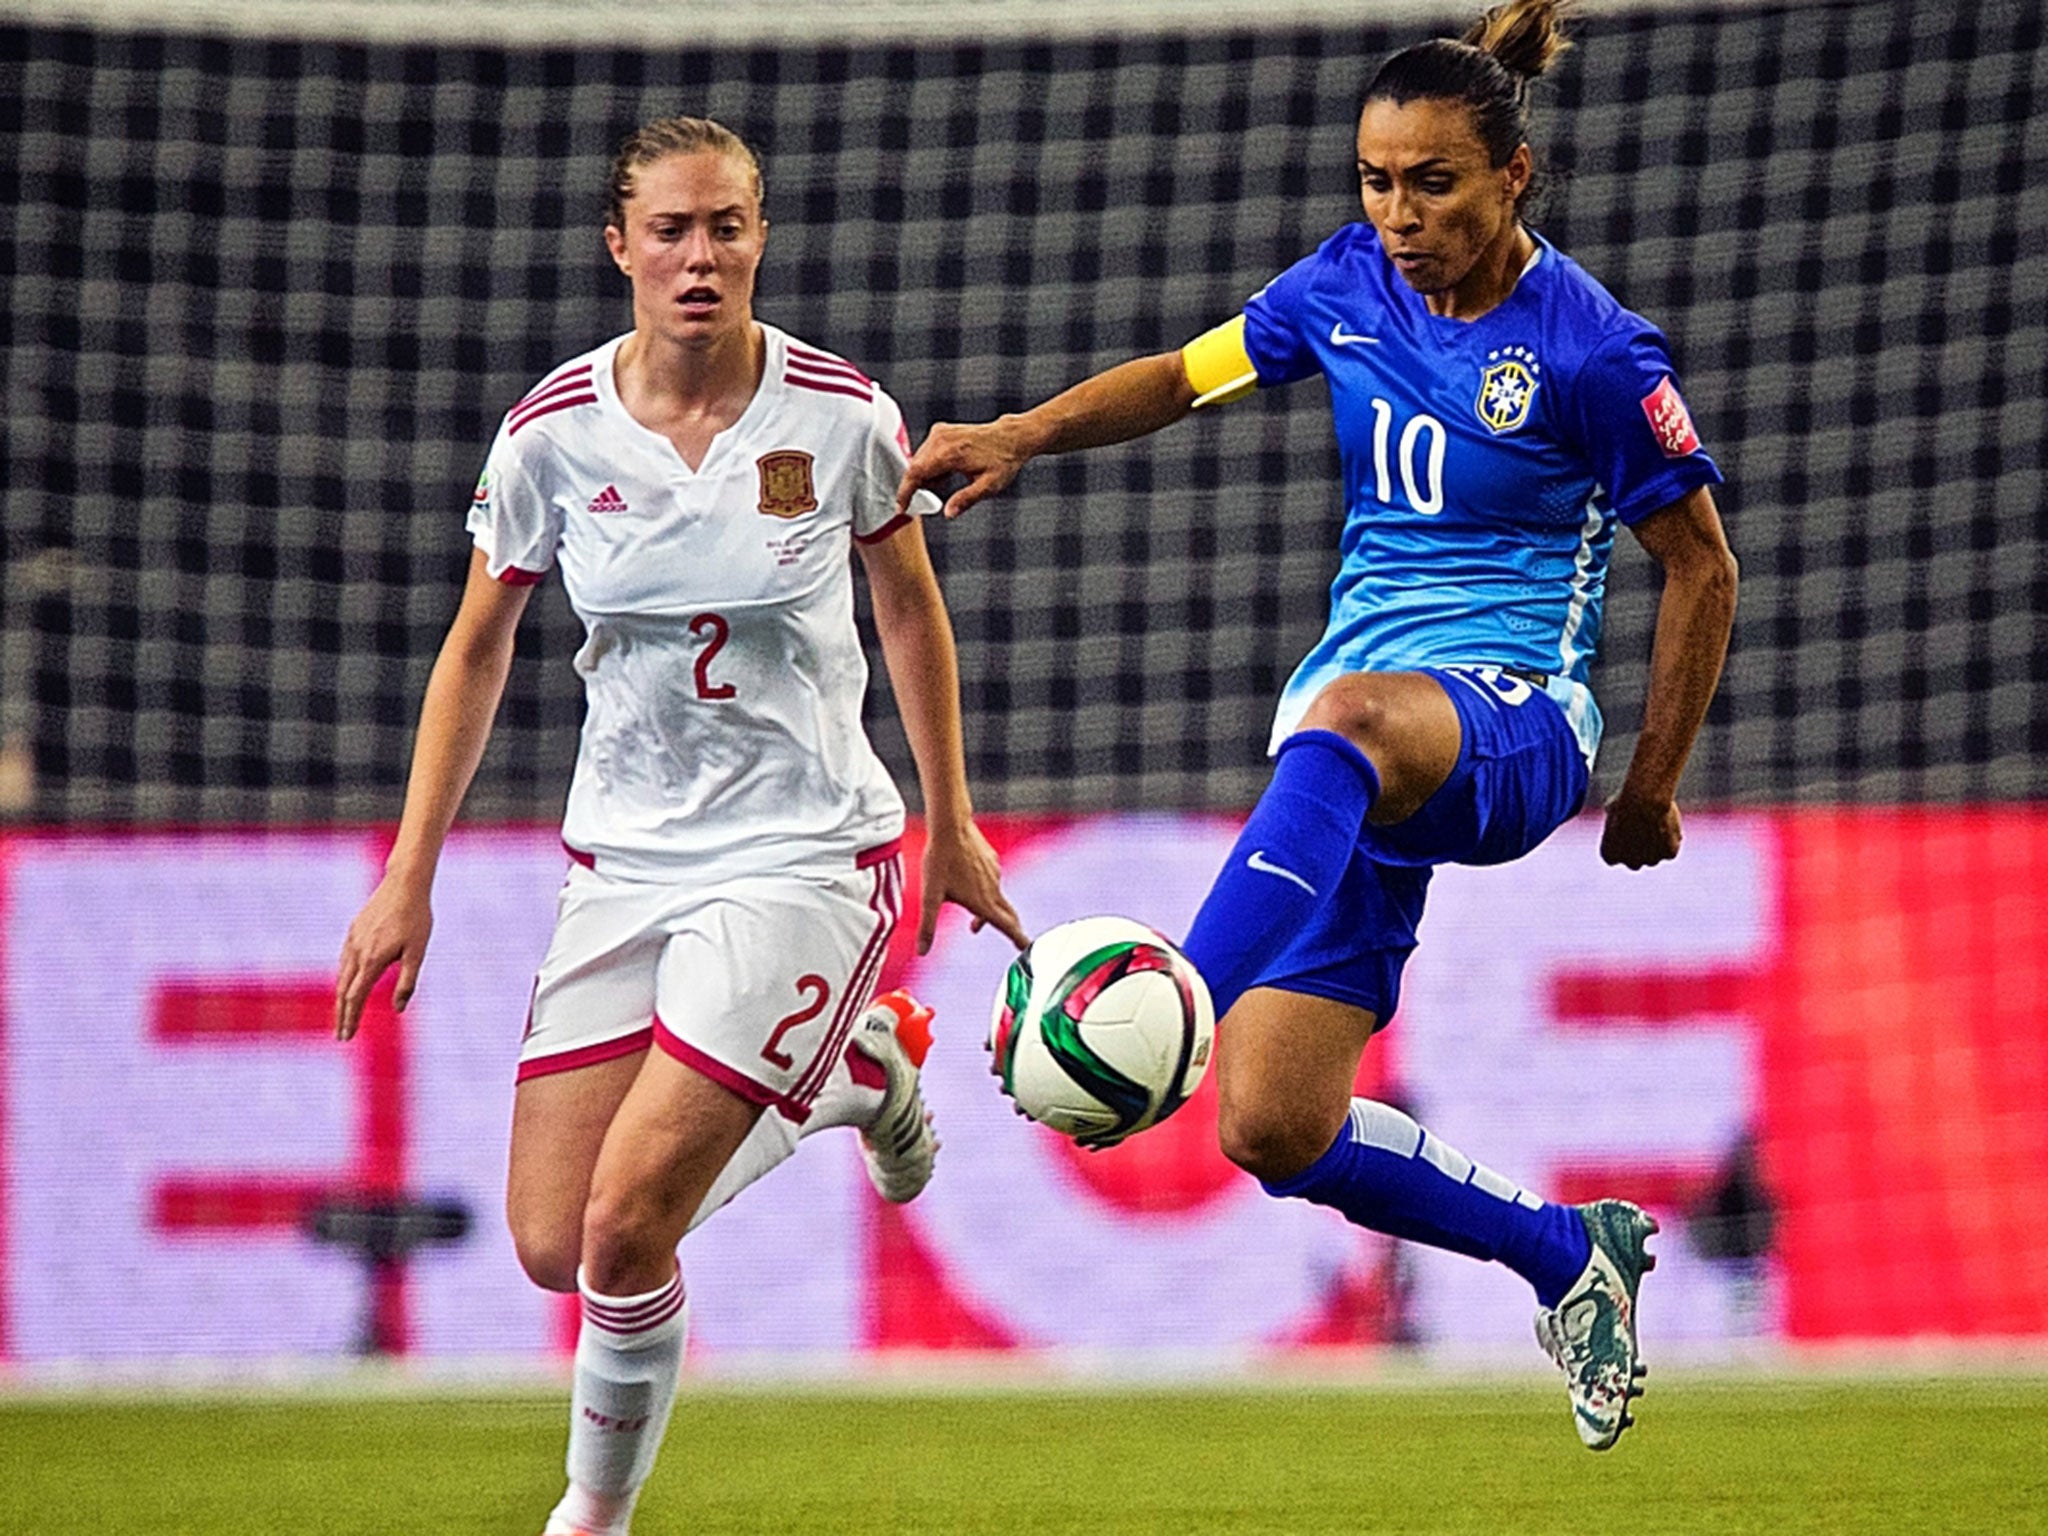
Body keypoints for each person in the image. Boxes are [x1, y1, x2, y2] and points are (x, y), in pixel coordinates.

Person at [899, 0, 1737, 1450]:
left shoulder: (1597, 352)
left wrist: (1651, 789)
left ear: (1512, 178)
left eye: (1434, 184)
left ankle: (1172, 993)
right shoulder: (1346, 284)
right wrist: (1022, 432)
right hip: (1366, 753)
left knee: (1339, 717)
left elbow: (1704, 567)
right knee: (1273, 1127)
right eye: (1377, 180)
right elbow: (1181, 376)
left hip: (1519, 728)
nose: (1400, 215)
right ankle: (1568, 1258)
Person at [333, 115, 1025, 1536]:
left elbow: (909, 611)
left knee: (627, 1225)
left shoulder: (840, 416)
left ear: (760, 236)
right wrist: (411, 874)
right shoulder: (549, 436)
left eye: (726, 227)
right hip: (625, 861)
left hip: (805, 856)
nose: (699, 256)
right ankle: (861, 1074)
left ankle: (590, 1518)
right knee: (550, 1243)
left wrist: (949, 821)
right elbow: (475, 651)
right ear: (621, 246)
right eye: (671, 230)